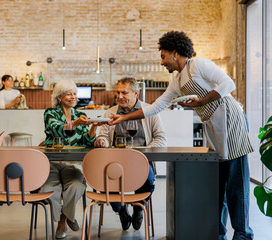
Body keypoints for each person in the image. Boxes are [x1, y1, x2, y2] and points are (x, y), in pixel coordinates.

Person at [110, 31, 254, 240]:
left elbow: (228, 84)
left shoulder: (199, 65)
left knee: (236, 183)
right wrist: (122, 119)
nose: (162, 63)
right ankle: (219, 233)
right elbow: (157, 106)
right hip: (214, 126)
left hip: (231, 121)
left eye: (163, 56)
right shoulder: (177, 80)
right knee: (220, 184)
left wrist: (202, 101)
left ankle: (243, 235)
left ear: (175, 53)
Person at [94, 77, 166, 231]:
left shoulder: (150, 111)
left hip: (141, 162)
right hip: (115, 163)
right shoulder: (110, 112)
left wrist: (144, 154)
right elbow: (104, 136)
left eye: (124, 93)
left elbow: (161, 137)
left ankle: (138, 209)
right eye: (118, 92)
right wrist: (102, 141)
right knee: (103, 182)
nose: (119, 96)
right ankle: (121, 211)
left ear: (136, 93)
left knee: (149, 180)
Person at [40, 80, 103, 239]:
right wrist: (75, 123)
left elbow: (86, 142)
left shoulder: (79, 115)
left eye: (74, 93)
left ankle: (63, 219)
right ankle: (69, 215)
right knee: (47, 189)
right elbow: (56, 130)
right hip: (52, 162)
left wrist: (94, 126)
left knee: (75, 186)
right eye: (69, 94)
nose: (73, 97)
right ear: (59, 97)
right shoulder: (50, 113)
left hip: (72, 163)